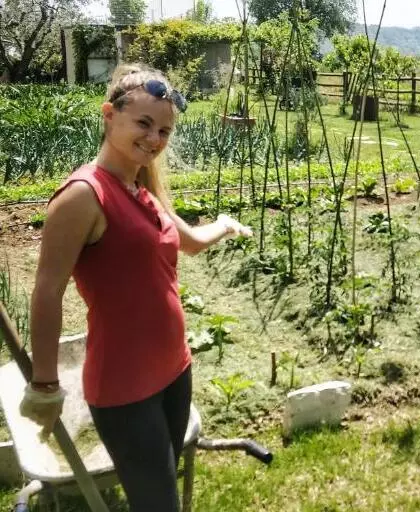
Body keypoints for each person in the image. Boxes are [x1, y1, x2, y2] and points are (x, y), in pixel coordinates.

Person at [19, 63, 252, 511]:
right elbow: (47, 291)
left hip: (175, 370)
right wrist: (45, 385)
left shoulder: (141, 189)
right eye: (143, 123)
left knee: (164, 484)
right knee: (157, 503)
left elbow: (190, 242)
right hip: (125, 389)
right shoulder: (84, 195)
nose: (155, 138)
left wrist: (222, 225)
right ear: (110, 115)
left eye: (164, 130)